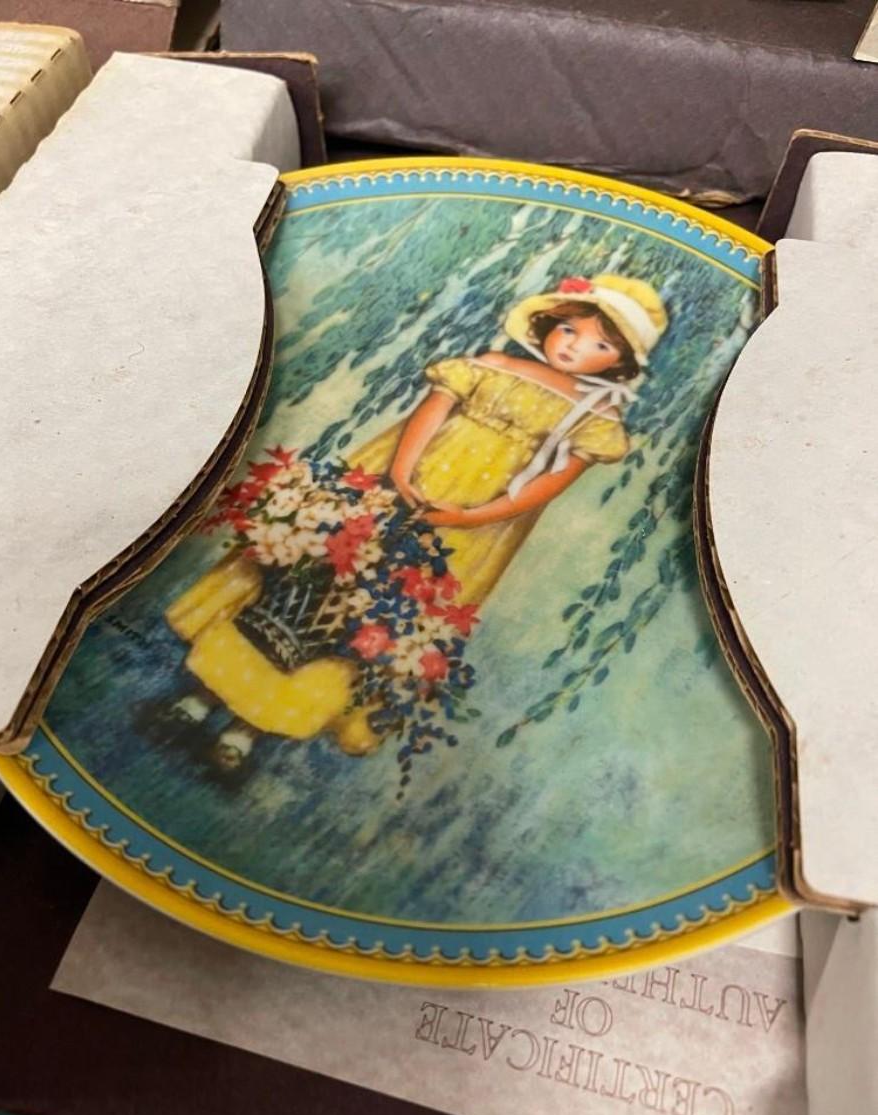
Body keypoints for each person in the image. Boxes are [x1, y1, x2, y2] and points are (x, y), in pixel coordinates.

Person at [151, 274, 668, 771]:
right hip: (395, 487)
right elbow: (430, 413)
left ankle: (250, 729)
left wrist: (471, 516)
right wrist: (400, 473)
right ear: (548, 324)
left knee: (369, 622)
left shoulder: (595, 420)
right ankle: (203, 695)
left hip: (465, 530)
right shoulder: (492, 365)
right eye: (569, 328)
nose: (575, 346)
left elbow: (545, 487)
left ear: (619, 363)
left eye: (601, 344)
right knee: (305, 584)